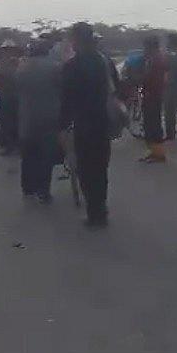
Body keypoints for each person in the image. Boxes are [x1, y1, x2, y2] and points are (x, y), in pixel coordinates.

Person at [61, 22, 119, 227]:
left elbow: (65, 100)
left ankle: (94, 212)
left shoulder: (71, 67)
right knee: (101, 167)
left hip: (83, 124)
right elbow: (116, 89)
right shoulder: (106, 62)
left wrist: (63, 126)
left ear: (76, 40)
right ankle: (100, 207)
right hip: (103, 122)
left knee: (85, 169)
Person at [16, 39, 62, 203]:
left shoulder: (22, 68)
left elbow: (17, 89)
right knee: (45, 155)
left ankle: (28, 188)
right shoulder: (56, 67)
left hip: (28, 117)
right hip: (50, 117)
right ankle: (43, 190)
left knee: (28, 154)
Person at [139, 35, 168, 163]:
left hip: (153, 95)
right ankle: (154, 151)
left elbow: (152, 79)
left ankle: (158, 154)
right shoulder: (155, 58)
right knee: (150, 124)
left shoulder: (156, 60)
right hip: (152, 94)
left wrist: (140, 80)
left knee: (153, 125)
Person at [0, 41, 21, 155]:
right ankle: (4, 141)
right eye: (5, 49)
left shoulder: (17, 62)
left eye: (8, 49)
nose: (6, 51)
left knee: (12, 121)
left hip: (14, 95)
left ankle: (12, 146)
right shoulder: (2, 62)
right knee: (3, 119)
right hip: (4, 93)